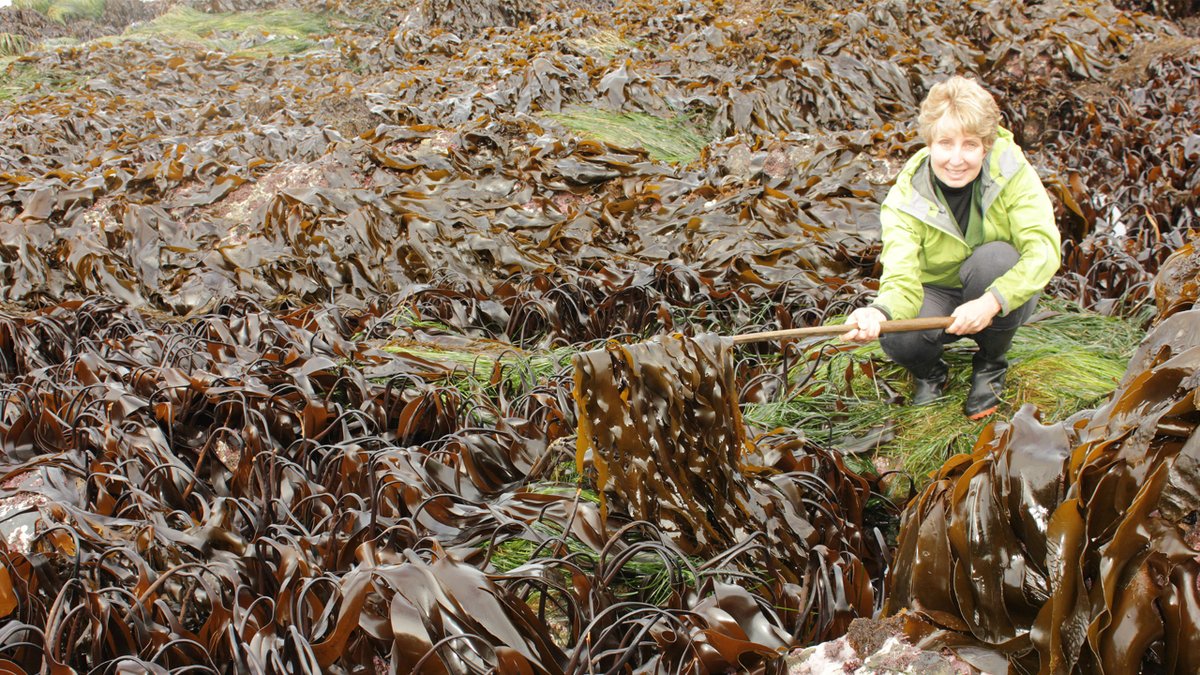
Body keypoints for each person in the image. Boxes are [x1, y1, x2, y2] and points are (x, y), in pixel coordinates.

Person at [842, 75, 1060, 420]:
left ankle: (990, 363)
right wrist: (879, 313)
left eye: (970, 145)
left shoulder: (1013, 171)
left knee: (996, 259)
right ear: (929, 143)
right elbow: (901, 279)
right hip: (938, 292)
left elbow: (1044, 250)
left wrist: (990, 302)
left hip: (995, 284)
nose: (956, 159)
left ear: (985, 146)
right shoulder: (905, 198)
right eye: (945, 143)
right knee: (896, 337)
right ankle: (931, 373)